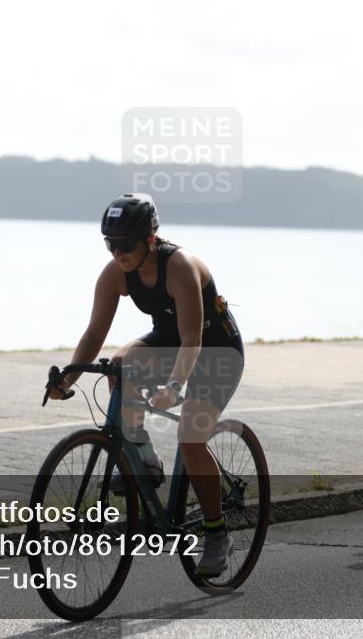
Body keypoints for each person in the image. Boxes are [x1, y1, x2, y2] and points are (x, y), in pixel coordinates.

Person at [47, 192, 245, 577]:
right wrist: (66, 379)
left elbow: (193, 340)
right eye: (110, 243)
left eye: (126, 244)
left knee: (190, 438)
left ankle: (217, 532)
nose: (118, 252)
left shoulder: (181, 266)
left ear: (150, 240)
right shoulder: (114, 273)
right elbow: (93, 335)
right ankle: (145, 457)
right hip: (172, 343)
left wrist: (173, 387)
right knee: (120, 365)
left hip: (216, 351)